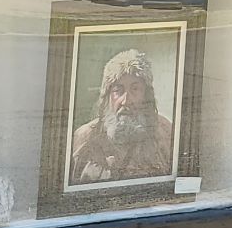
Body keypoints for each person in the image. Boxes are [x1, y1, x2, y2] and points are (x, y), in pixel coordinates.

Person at [68, 48, 174, 185]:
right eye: (118, 90)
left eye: (135, 89)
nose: (126, 101)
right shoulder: (85, 137)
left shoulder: (164, 130)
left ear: (146, 95)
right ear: (107, 96)